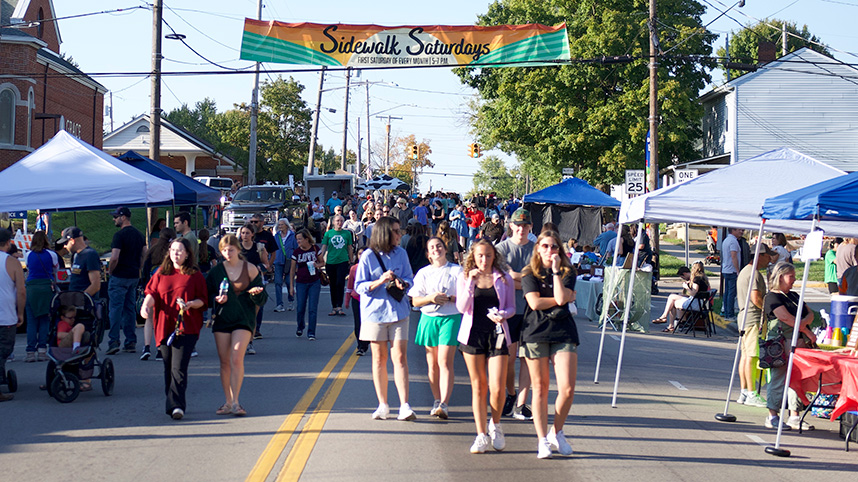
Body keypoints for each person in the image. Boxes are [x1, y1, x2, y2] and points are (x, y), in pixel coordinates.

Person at [521, 230, 579, 458]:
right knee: (541, 387)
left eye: (554, 247)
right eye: (545, 246)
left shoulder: (567, 270)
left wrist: (555, 272)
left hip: (563, 331)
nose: (549, 251)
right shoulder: (529, 272)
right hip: (535, 331)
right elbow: (534, 303)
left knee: (567, 388)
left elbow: (564, 297)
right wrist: (562, 298)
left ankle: (557, 431)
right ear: (538, 249)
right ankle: (542, 439)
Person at [455, 239, 515, 453]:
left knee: (497, 387)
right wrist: (470, 283)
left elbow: (511, 308)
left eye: (488, 255)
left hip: (497, 334)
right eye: (480, 255)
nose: (484, 259)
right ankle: (481, 434)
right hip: (473, 334)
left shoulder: (504, 278)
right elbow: (461, 307)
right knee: (478, 386)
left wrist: (502, 315)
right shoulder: (465, 277)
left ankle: (495, 424)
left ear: (494, 256)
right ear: (473, 256)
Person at [355, 216, 416, 421]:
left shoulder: (402, 253)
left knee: (399, 357)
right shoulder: (368, 256)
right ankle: (382, 404)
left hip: (399, 311)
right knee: (379, 359)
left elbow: (410, 278)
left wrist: (403, 283)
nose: (400, 234)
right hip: (375, 313)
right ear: (385, 233)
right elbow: (359, 286)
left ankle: (404, 405)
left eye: (400, 230)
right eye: (397, 231)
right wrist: (380, 280)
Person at [140, 238, 208, 420]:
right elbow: (152, 293)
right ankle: (171, 400)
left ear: (187, 254)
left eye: (179, 251)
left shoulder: (194, 275)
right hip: (164, 326)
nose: (176, 254)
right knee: (168, 366)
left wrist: (190, 304)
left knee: (179, 368)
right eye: (173, 250)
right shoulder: (161, 273)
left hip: (186, 327)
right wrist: (146, 305)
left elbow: (203, 300)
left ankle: (177, 405)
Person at [206, 234, 266, 417]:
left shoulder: (251, 269)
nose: (227, 253)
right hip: (223, 319)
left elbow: (263, 298)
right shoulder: (216, 272)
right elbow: (206, 294)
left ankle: (237, 402)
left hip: (244, 319)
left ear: (238, 249)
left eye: (231, 249)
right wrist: (216, 299)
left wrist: (255, 294)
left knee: (236, 357)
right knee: (225, 362)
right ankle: (228, 401)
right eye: (224, 250)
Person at [408, 238, 462, 420]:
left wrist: (450, 298)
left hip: (450, 317)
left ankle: (444, 404)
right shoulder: (423, 273)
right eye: (432, 247)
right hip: (429, 318)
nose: (436, 249)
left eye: (439, 246)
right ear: (428, 254)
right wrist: (431, 298)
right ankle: (436, 399)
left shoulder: (456, 270)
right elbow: (415, 301)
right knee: (432, 363)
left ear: (445, 249)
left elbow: (466, 297)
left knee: (445, 361)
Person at [763, 262, 816, 432]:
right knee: (778, 377)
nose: (794, 280)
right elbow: (786, 318)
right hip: (780, 344)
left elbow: (810, 314)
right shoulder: (771, 297)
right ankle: (772, 415)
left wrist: (803, 323)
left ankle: (794, 415)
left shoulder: (793, 296)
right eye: (791, 276)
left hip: (797, 343)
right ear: (780, 277)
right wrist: (807, 330)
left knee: (797, 378)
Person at [495, 208, 535, 421]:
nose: (521, 229)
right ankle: (510, 394)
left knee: (528, 357)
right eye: (517, 225)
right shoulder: (501, 249)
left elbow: (537, 280)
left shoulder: (537, 249)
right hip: (508, 311)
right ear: (511, 226)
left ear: (530, 227)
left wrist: (515, 278)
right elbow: (501, 280)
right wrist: (524, 280)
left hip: (531, 311)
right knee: (509, 358)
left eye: (525, 225)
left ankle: (521, 402)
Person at [736, 244, 775, 408]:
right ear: (760, 255)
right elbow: (756, 298)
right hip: (752, 318)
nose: (770, 259)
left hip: (743, 317)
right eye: (768, 256)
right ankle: (752, 393)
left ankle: (745, 391)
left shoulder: (745, 271)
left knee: (745, 356)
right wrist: (768, 311)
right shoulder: (754, 274)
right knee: (752, 356)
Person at [107, 206, 146, 355]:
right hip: (133, 275)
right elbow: (145, 253)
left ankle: (114, 340)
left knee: (115, 309)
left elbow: (115, 256)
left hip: (119, 275)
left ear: (123, 217)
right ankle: (130, 341)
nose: (114, 219)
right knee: (129, 308)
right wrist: (139, 267)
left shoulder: (119, 236)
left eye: (116, 217)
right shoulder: (139, 235)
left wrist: (111, 270)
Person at [140, 228, 176, 361]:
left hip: (152, 288)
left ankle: (146, 347)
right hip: (168, 289)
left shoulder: (153, 251)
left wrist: (144, 287)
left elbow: (144, 270)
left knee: (149, 319)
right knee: (163, 319)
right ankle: (161, 347)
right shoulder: (172, 253)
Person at [24, 231, 58, 362]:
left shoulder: (28, 255)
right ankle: (42, 350)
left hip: (32, 287)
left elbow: (28, 269)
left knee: (32, 321)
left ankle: (30, 351)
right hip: (46, 287)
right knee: (45, 319)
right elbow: (55, 269)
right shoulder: (52, 255)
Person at [0, 229, 25, 402]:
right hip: (5, 314)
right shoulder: (12, 262)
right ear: (8, 242)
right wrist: (21, 313)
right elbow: (21, 291)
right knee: (3, 351)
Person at [238, 223, 268, 351]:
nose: (244, 235)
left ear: (252, 235)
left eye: (247, 233)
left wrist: (258, 268)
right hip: (240, 284)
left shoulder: (259, 248)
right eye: (243, 233)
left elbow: (266, 265)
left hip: (255, 284)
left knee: (252, 315)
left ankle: (250, 342)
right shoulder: (237, 248)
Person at [290, 229, 323, 340]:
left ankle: (311, 332)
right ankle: (300, 326)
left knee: (312, 308)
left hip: (314, 282)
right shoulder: (296, 252)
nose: (298, 241)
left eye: (300, 239)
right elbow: (292, 269)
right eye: (297, 239)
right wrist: (291, 286)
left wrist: (317, 265)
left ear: (306, 239)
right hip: (301, 283)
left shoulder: (315, 249)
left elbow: (323, 262)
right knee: (300, 307)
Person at [658, 262, 709, 333]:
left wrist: (686, 287)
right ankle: (672, 323)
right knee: (672, 299)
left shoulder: (696, 279)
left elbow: (693, 293)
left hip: (694, 304)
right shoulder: (704, 278)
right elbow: (697, 294)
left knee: (672, 300)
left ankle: (669, 321)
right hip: (700, 303)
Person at [320, 214, 354, 317]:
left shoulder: (347, 234)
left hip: (343, 261)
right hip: (331, 262)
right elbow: (324, 247)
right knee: (333, 284)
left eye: (341, 221)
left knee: (340, 283)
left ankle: (340, 306)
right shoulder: (328, 234)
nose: (340, 223)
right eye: (338, 221)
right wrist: (320, 259)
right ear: (333, 222)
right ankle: (334, 307)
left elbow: (349, 247)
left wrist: (351, 260)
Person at [60, 226, 101, 300]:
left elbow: (95, 285)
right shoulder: (76, 255)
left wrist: (80, 299)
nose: (64, 246)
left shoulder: (90, 254)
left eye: (66, 242)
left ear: (72, 241)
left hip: (84, 304)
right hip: (74, 300)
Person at [345, 247, 370, 356]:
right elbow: (350, 286)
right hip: (357, 298)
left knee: (368, 323)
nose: (362, 256)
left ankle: (367, 341)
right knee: (358, 323)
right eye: (360, 254)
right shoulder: (354, 268)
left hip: (369, 300)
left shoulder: (372, 268)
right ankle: (361, 346)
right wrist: (347, 300)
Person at [273, 219, 298, 312]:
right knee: (278, 282)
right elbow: (273, 249)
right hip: (278, 261)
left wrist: (297, 265)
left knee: (289, 282)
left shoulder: (292, 236)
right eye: (279, 225)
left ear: (286, 225)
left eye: (282, 225)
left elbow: (296, 249)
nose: (280, 226)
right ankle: (279, 304)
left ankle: (291, 302)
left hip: (289, 262)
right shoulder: (276, 236)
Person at [721, 227, 743, 321]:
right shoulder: (733, 241)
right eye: (739, 230)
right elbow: (734, 256)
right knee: (731, 293)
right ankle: (729, 314)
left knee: (727, 293)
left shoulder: (726, 240)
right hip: (732, 270)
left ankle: (726, 312)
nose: (741, 232)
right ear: (733, 230)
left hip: (726, 269)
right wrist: (738, 270)